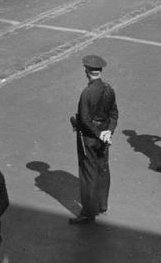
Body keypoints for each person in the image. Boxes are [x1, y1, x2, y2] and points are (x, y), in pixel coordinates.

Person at [70, 55, 118, 224]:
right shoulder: (109, 89)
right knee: (103, 168)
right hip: (105, 135)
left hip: (90, 138)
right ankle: (102, 204)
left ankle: (88, 212)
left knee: (88, 173)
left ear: (87, 72)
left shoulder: (87, 93)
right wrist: (108, 132)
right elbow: (113, 114)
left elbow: (84, 119)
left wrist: (97, 133)